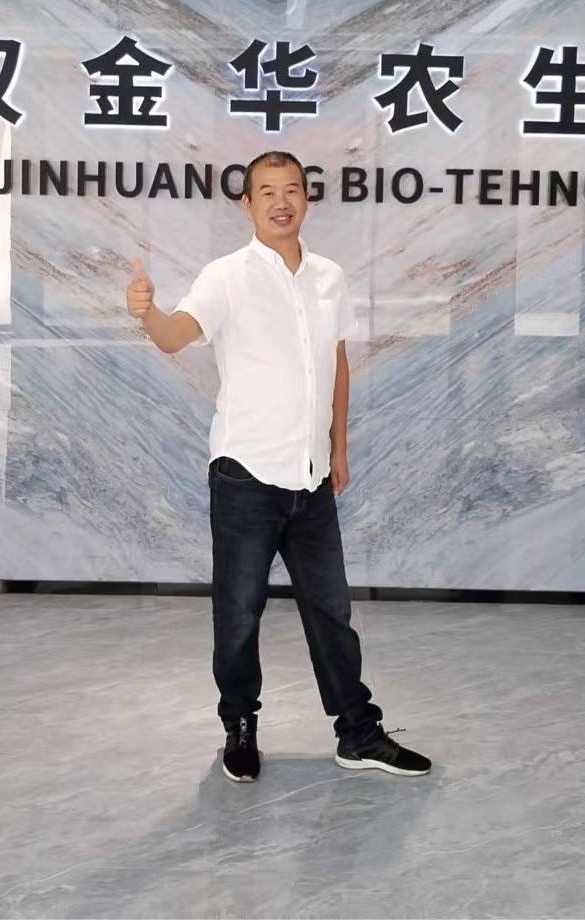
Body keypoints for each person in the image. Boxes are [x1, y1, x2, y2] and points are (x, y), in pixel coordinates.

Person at [126, 149, 431, 783]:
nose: (281, 201)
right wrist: (146, 312)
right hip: (246, 475)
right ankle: (239, 726)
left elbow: (337, 365)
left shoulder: (328, 277)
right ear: (247, 204)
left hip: (311, 475)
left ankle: (358, 733)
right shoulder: (226, 276)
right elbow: (176, 335)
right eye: (266, 191)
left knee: (332, 613)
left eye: (291, 189)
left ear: (306, 199)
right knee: (239, 613)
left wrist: (338, 447)